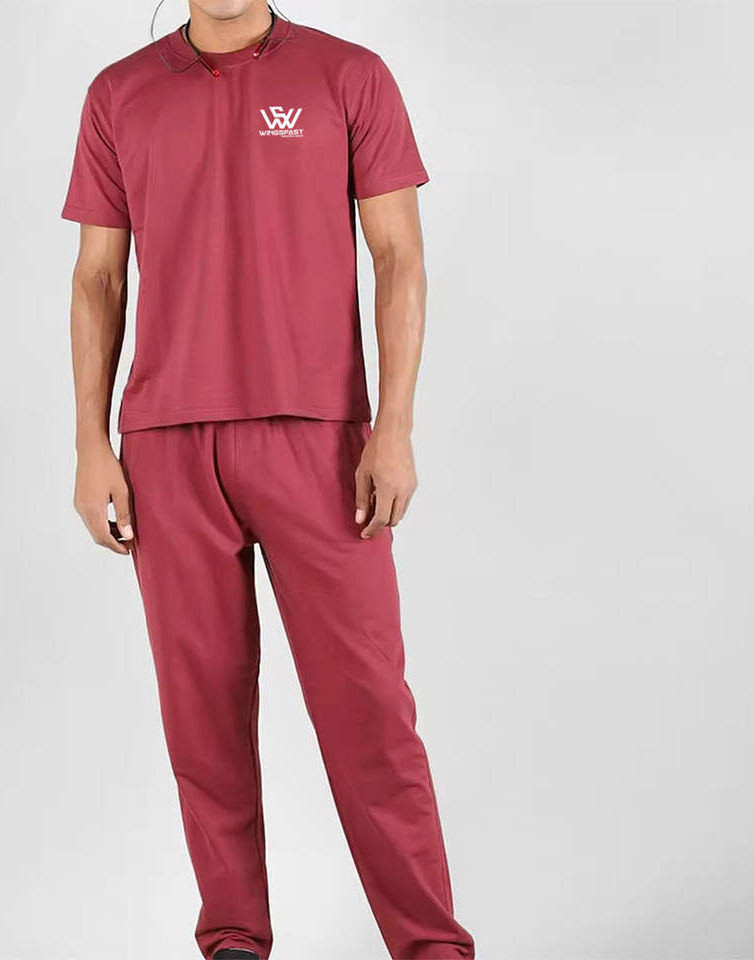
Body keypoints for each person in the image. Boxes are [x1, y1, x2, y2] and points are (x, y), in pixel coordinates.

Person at [62, 1, 474, 957]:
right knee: (201, 720)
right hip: (166, 444)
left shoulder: (348, 75)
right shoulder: (119, 94)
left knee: (369, 713)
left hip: (321, 441)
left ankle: (432, 947)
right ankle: (234, 940)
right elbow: (97, 279)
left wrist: (395, 427)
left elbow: (400, 255)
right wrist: (90, 443)